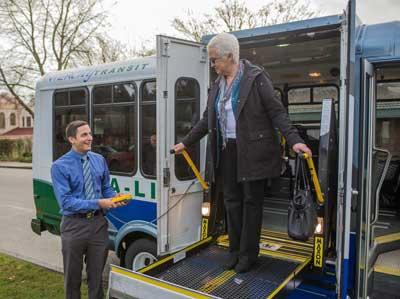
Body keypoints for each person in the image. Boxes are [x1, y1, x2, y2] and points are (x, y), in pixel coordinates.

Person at [173, 32, 311, 273]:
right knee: (232, 202)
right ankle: (234, 250)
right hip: (228, 150)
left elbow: (276, 112)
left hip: (254, 151)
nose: (213, 65)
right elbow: (207, 120)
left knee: (251, 203)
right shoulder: (217, 85)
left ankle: (249, 255)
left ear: (229, 56)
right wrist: (186, 142)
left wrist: (294, 140)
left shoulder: (256, 78)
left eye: (215, 60)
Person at [51, 120, 125, 299]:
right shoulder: (59, 167)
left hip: (99, 225)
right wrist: (100, 203)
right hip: (74, 226)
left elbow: (106, 187)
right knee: (72, 279)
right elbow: (67, 203)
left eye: (90, 133)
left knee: (96, 278)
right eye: (84, 135)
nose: (90, 138)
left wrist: (114, 197)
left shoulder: (99, 160)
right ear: (71, 139)